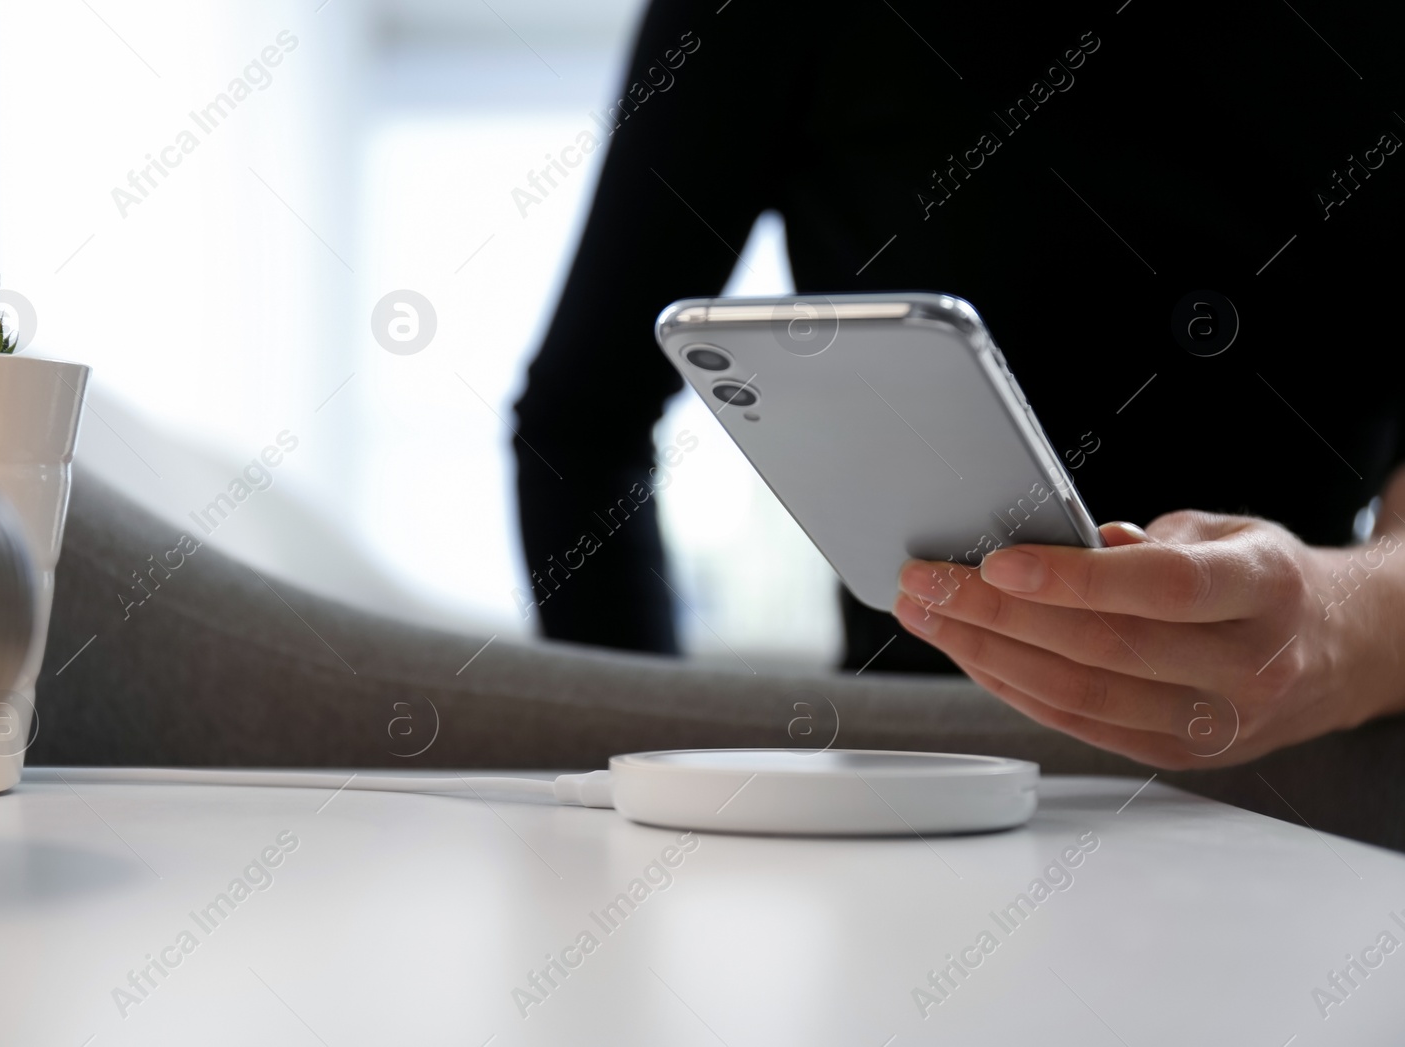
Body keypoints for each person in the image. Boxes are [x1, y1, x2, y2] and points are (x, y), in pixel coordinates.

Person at [511, 0, 1405, 768]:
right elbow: (583, 423)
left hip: (1318, 802)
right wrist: (657, 778)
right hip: (917, 796)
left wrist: (1342, 631)